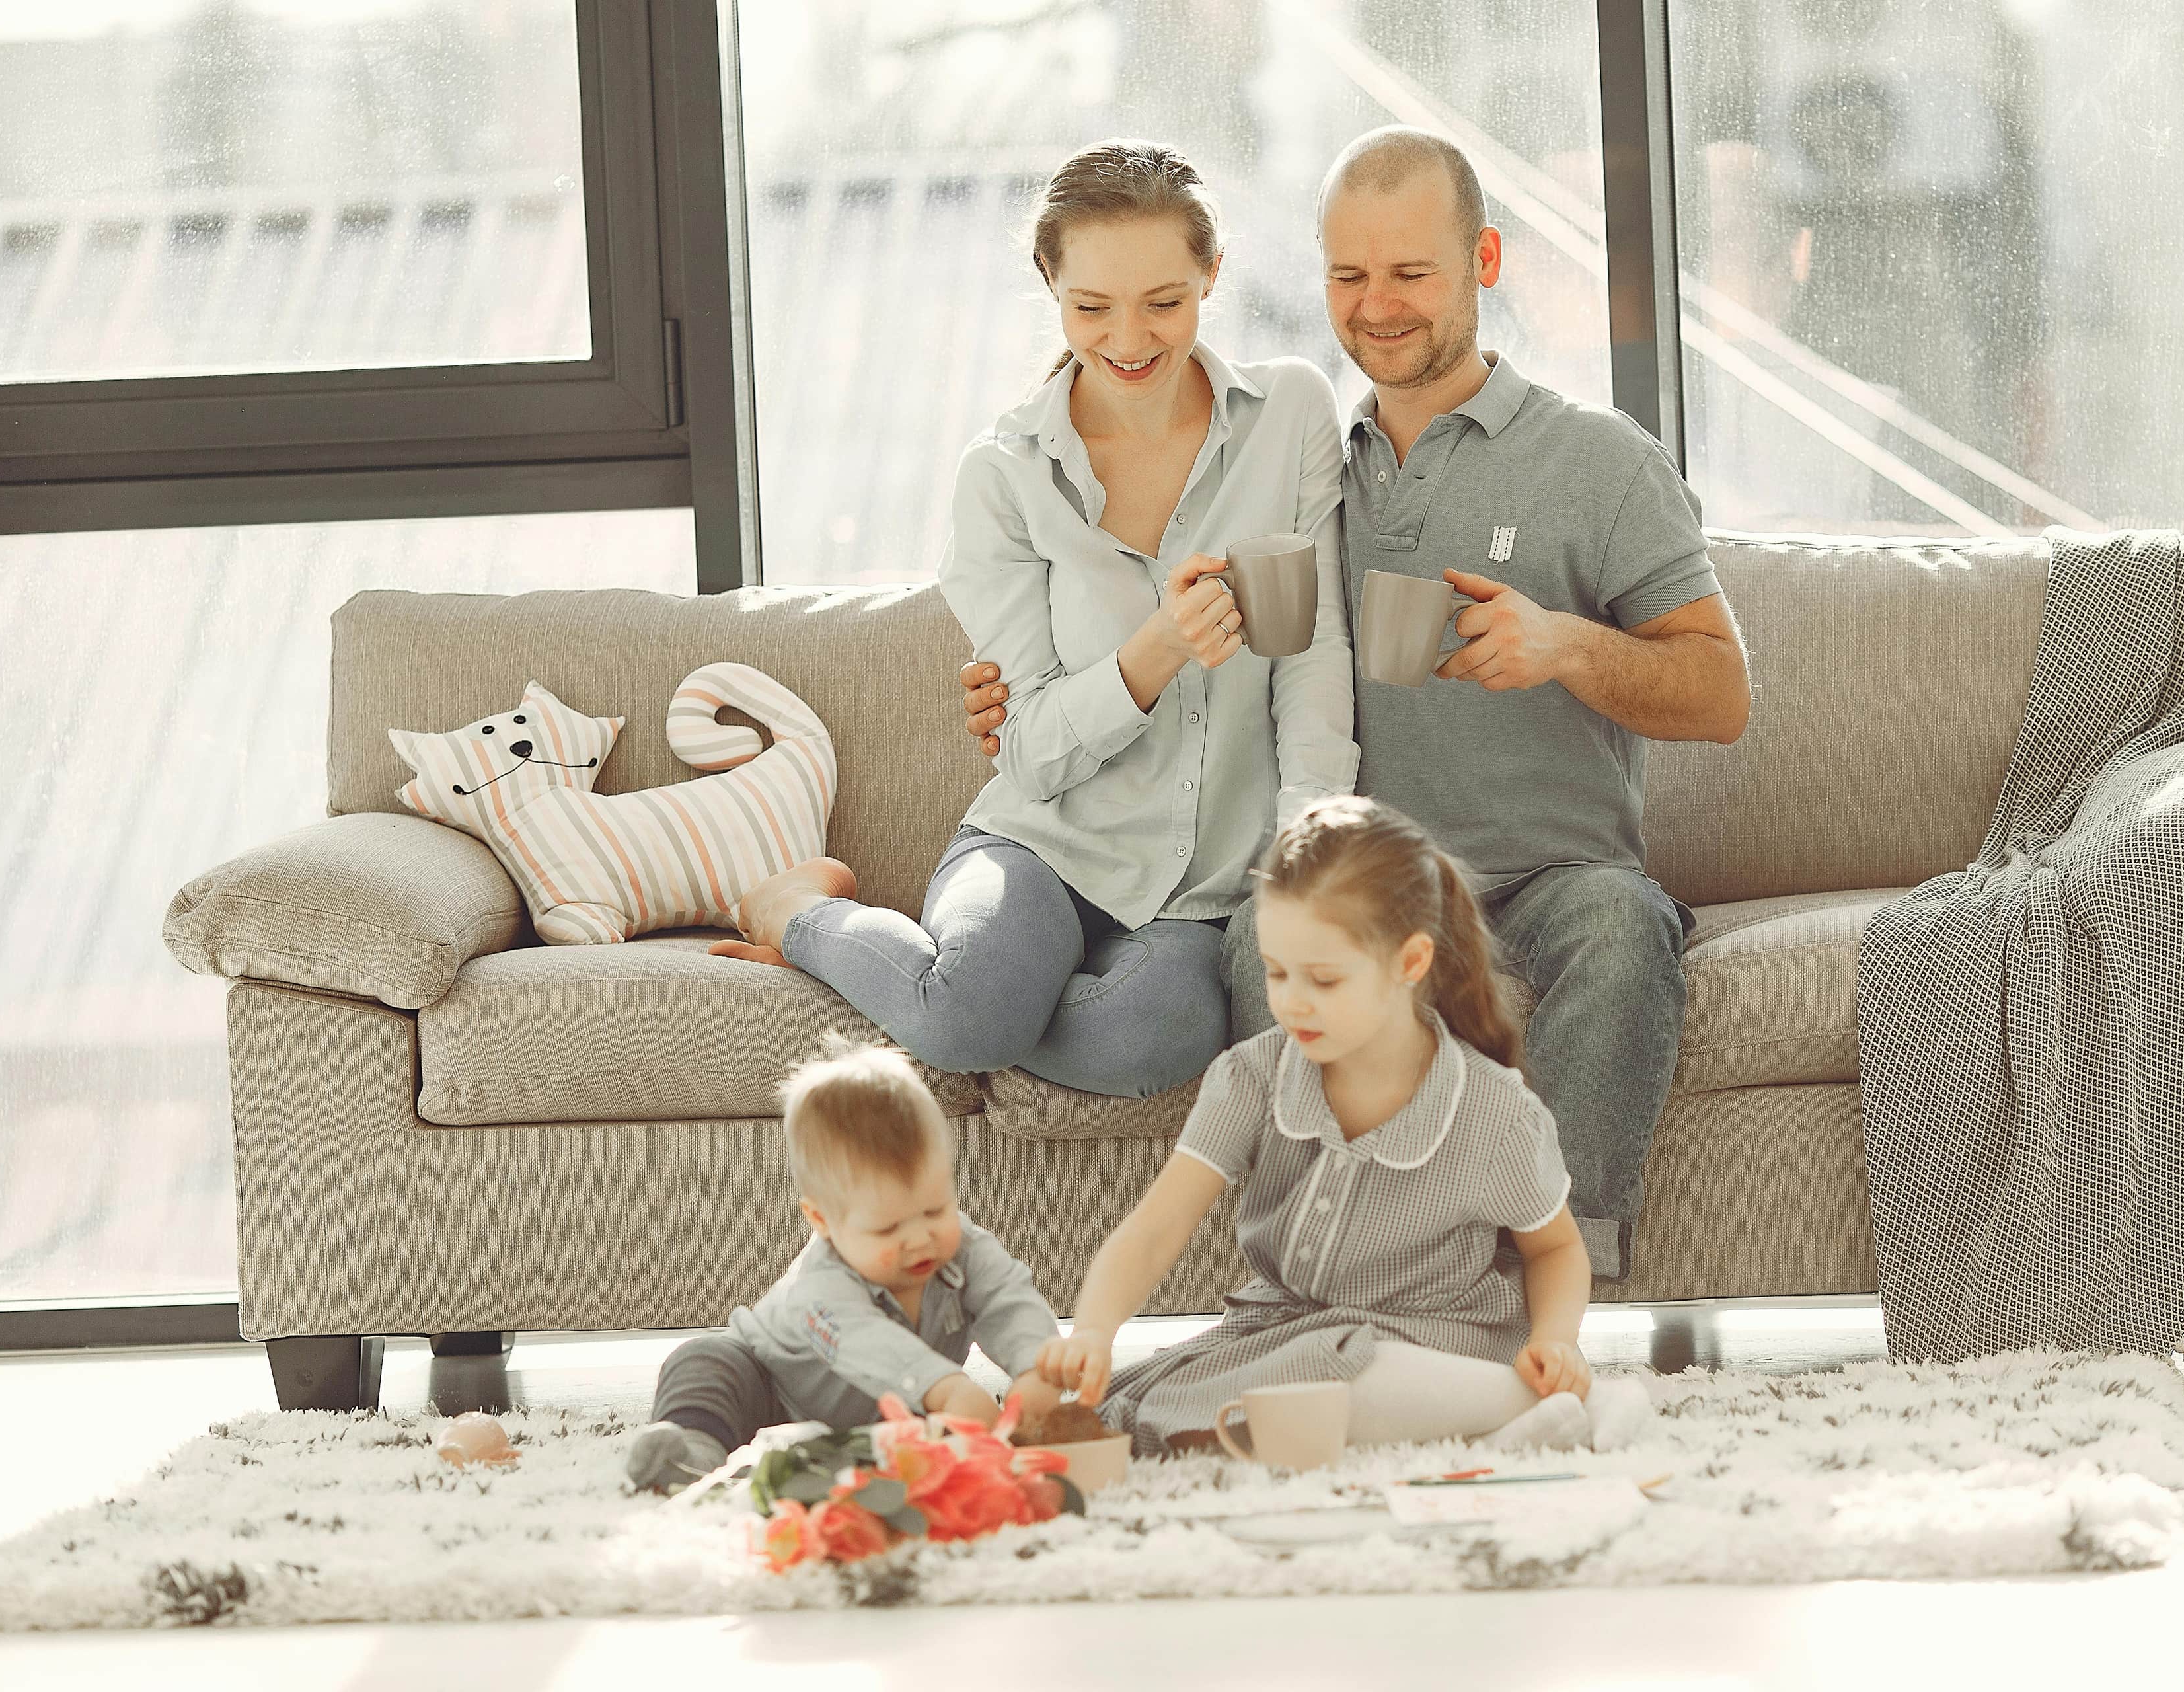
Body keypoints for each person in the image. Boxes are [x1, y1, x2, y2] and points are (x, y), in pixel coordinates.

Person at [966, 129, 1752, 1276]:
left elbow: (1723, 693)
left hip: (1550, 888)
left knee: (1624, 928)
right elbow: (1144, 602)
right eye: (1349, 276)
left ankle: (1542, 1280)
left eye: (1411, 274)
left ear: (1484, 261)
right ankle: (1330, 1273)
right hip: (1366, 898)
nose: (1376, 307)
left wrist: (1567, 645)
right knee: (1258, 939)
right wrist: (1009, 685)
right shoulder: (1307, 464)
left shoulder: (1599, 462)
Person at [714, 139, 1358, 1099]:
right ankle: (797, 912)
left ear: (1212, 274)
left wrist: (1310, 845)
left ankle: (926, 996)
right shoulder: (1006, 477)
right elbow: (1033, 754)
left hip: (1201, 887)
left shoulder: (1290, 413)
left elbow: (1312, 652)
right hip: (1041, 845)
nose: (1129, 339)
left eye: (1165, 302)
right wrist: (1155, 651)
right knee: (971, 1013)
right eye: (1091, 307)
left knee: (1157, 1035)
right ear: (1048, 283)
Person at [1037, 798, 1651, 1457]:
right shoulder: (1252, 1076)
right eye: (1277, 972)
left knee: (1338, 1371)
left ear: (1410, 963)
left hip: (1434, 1339)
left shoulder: (1493, 1109)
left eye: (1324, 979)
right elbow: (1158, 1225)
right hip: (1286, 1334)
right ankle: (1499, 1424)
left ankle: (1559, 1405)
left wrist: (1554, 1340)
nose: (1291, 1001)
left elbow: (1554, 1249)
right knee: (1142, 1409)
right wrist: (1096, 1330)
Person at [626, 1036, 1065, 1492]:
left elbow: (1008, 1299)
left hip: (875, 1420)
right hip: (770, 1387)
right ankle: (692, 1458)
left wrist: (1036, 1368)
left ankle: (811, 1463)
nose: (920, 1238)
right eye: (887, 1228)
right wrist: (947, 1389)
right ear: (823, 1221)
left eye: (936, 1209)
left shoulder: (964, 1248)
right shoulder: (822, 1285)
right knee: (704, 1362)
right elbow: (866, 1342)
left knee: (920, 1449)